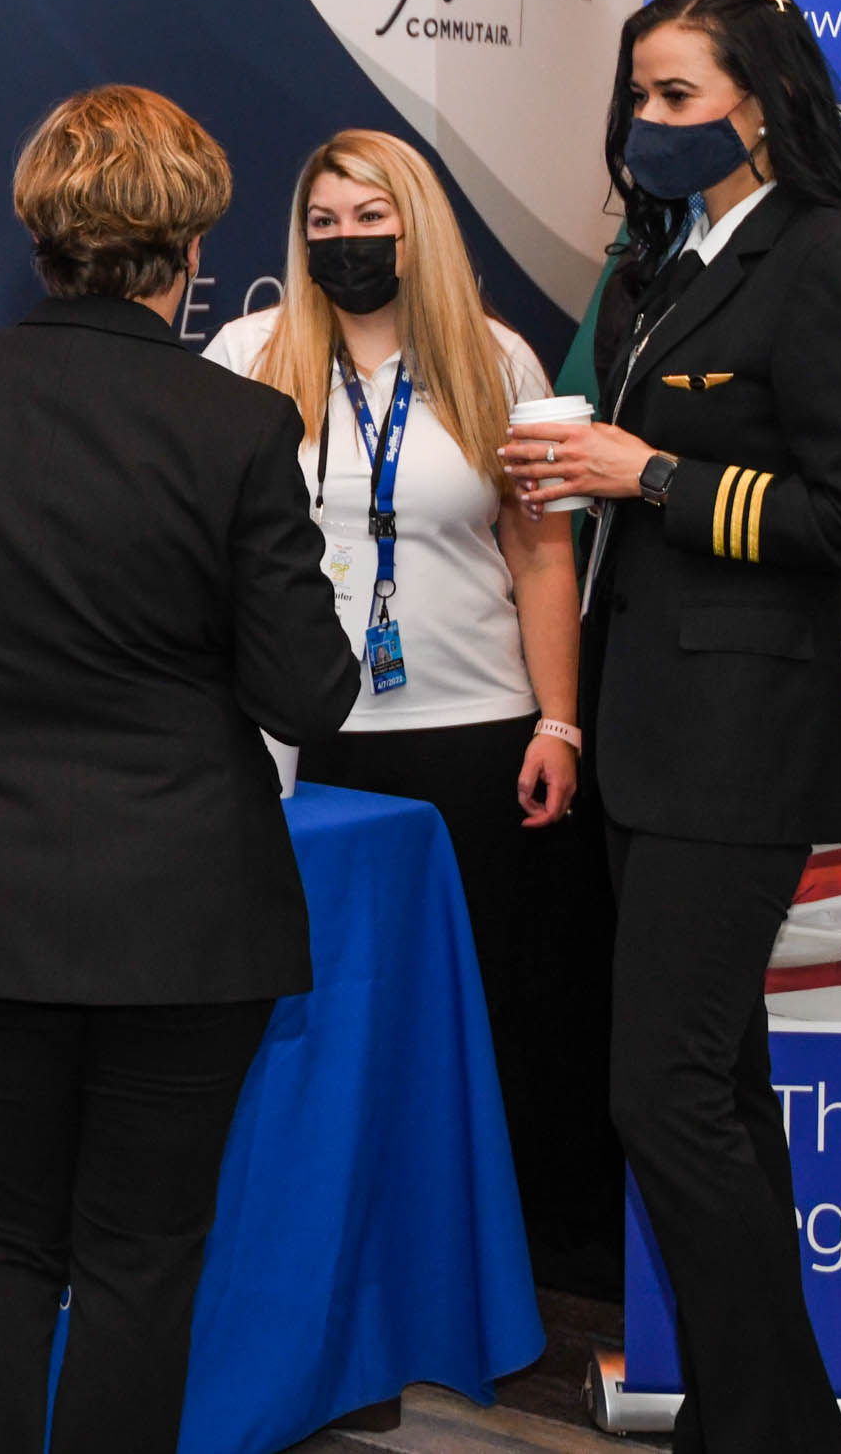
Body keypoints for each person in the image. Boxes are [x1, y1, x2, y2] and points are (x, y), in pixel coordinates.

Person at [0, 85, 359, 1454]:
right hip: (188, 912)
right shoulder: (238, 427)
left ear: (39, 237)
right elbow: (308, 693)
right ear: (190, 253)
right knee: (140, 1263)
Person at [507, 0, 841, 1454]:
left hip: (739, 744)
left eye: (676, 94)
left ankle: (758, 1426)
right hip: (646, 736)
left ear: (764, 102)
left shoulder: (830, 262)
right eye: (638, 95)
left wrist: (653, 476)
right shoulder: (658, 265)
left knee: (665, 1096)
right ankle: (773, 1422)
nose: (648, 120)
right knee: (718, 1092)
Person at [198, 128, 593, 1268]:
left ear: (416, 226)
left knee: (462, 1017)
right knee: (307, 1021)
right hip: (294, 746)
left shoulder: (497, 362)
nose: (346, 242)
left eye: (370, 218)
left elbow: (541, 557)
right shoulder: (246, 352)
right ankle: (311, 1256)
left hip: (472, 739)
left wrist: (559, 720)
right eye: (323, 222)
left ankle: (456, 1266)